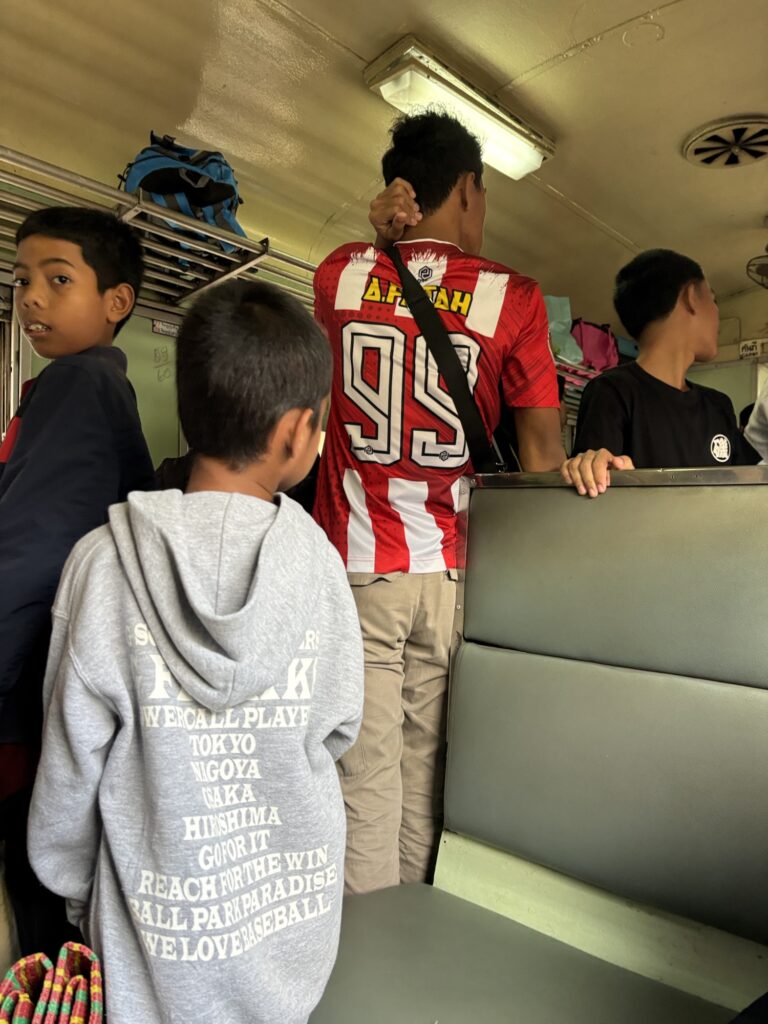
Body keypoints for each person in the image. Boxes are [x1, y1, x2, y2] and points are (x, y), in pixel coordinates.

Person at [27, 280, 364, 1024]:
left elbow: (69, 775)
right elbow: (338, 729)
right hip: (290, 951)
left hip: (145, 960)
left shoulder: (101, 566)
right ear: (297, 432)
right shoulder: (322, 569)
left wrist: (81, 897)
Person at [313, 112, 565, 894]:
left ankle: (367, 966)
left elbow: (365, 286)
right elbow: (543, 460)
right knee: (427, 776)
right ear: (466, 189)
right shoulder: (513, 298)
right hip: (453, 577)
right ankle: (415, 941)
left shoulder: (341, 274)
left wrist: (382, 238)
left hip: (358, 572)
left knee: (363, 781)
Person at [0, 206, 154, 957]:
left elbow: (33, 552)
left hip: (25, 683)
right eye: (24, 279)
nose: (30, 297)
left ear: (115, 303)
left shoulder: (76, 386)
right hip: (56, 682)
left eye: (59, 280)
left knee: (33, 894)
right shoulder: (92, 388)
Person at [562, 249, 758, 497]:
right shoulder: (612, 392)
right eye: (713, 299)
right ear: (691, 297)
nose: (718, 314)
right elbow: (597, 490)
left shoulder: (718, 405)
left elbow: (750, 491)